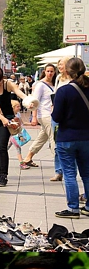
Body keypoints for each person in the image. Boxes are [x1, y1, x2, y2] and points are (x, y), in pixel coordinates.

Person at [51, 57, 89, 219]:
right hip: (86, 137)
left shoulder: (64, 91)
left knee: (69, 173)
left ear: (66, 71)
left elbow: (56, 117)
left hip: (67, 137)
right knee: (87, 173)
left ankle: (73, 208)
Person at [0, 66, 26, 187]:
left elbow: (18, 92)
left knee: (1, 147)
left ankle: (3, 175)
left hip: (7, 120)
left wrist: (28, 100)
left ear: (2, 78)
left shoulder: (8, 84)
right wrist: (2, 118)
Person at [23, 63, 56, 172]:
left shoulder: (54, 84)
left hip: (51, 114)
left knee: (43, 137)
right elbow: (34, 101)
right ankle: (59, 162)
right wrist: (34, 117)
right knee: (53, 137)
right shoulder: (40, 85)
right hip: (44, 114)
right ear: (44, 72)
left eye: (52, 71)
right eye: (48, 71)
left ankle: (28, 158)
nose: (50, 73)